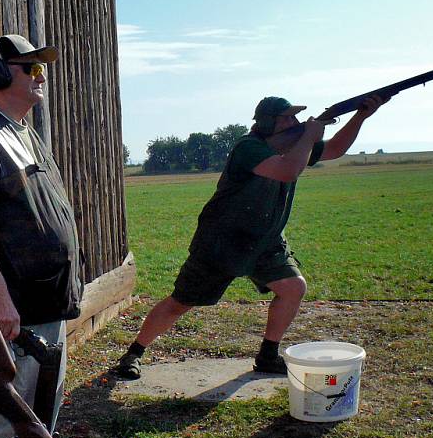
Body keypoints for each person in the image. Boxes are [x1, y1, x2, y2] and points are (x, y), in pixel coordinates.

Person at [115, 94, 387, 379]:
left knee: (293, 287)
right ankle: (133, 353)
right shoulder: (249, 148)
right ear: (269, 122)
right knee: (180, 302)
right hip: (223, 241)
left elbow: (333, 150)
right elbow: (287, 171)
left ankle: (268, 355)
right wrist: (309, 135)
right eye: (287, 118)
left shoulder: (295, 145)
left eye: (296, 118)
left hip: (265, 240)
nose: (294, 122)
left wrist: (360, 116)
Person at [0, 34, 83, 438]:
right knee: (11, 418)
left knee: (43, 412)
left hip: (47, 302)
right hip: (18, 311)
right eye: (31, 67)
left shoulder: (23, 132)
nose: (40, 76)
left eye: (40, 67)